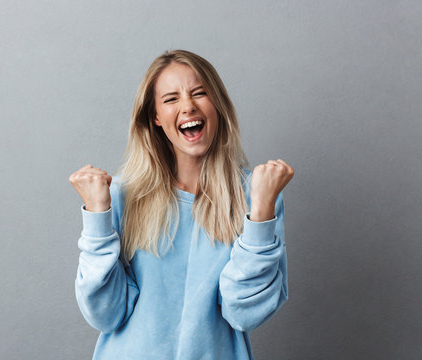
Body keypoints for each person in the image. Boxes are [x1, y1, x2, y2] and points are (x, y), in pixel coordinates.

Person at [69, 49, 294, 360]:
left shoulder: (255, 195)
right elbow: (105, 314)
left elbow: (245, 311)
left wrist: (261, 215)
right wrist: (97, 217)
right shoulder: (121, 196)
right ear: (156, 118)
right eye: (171, 99)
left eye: (199, 93)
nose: (188, 106)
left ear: (217, 105)